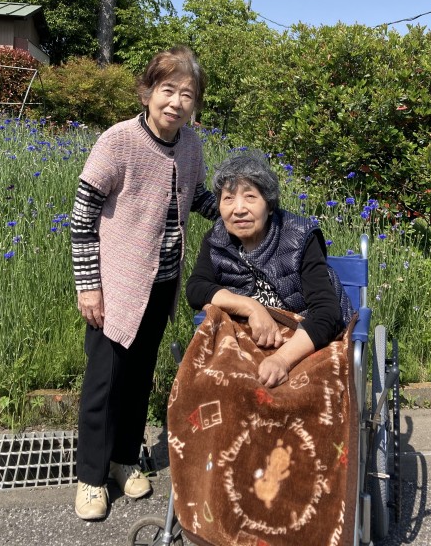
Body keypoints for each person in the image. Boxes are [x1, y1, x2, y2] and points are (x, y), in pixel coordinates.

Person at [70, 46, 217, 520]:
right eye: (168, 90)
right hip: (116, 286)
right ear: (148, 91)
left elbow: (197, 197)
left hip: (163, 284)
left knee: (138, 379)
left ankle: (123, 459)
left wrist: (243, 211)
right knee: (104, 383)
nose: (176, 102)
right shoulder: (118, 141)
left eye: (187, 94)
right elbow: (82, 218)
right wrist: (89, 286)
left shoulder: (191, 145)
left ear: (195, 104)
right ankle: (91, 478)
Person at [186, 151, 351, 388]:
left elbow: (327, 314)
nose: (238, 209)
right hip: (249, 339)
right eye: (228, 198)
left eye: (250, 197)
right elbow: (196, 288)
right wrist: (251, 307)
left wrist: (281, 360)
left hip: (303, 341)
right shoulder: (217, 239)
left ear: (269, 205)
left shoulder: (300, 237)